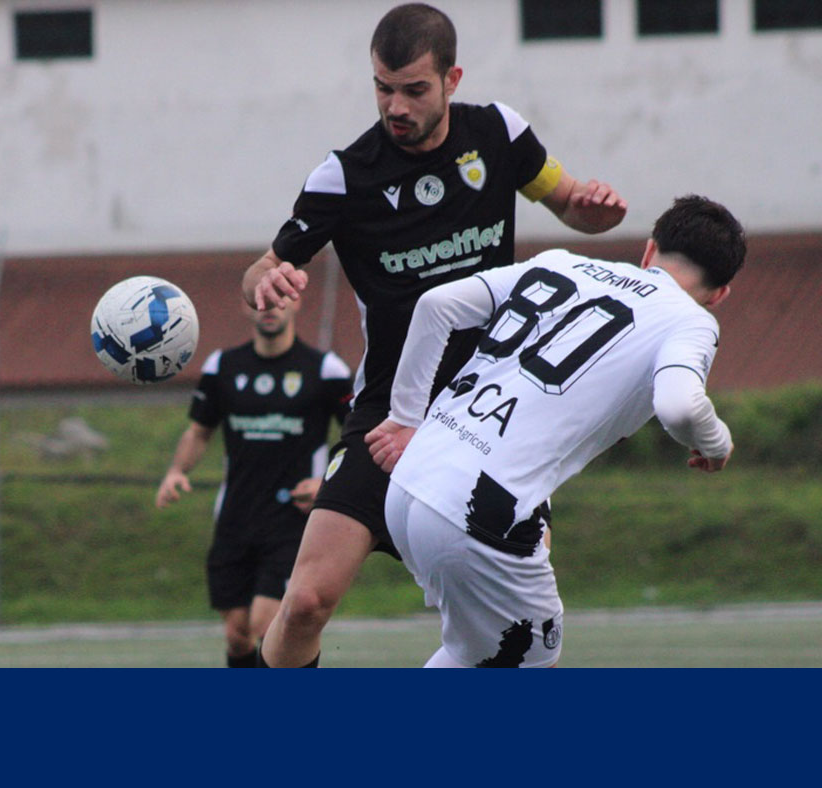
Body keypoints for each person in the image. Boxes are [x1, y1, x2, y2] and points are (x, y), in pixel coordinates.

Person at [243, 3, 627, 667]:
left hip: (494, 417)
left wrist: (592, 210)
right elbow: (267, 264)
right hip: (392, 412)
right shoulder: (344, 176)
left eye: (414, 89)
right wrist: (266, 281)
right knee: (305, 600)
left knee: (507, 626)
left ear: (452, 79)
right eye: (382, 88)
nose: (396, 105)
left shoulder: (500, 134)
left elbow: (567, 202)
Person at [364, 194, 746, 667]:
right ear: (719, 294)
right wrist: (717, 443)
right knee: (525, 657)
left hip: (412, 479)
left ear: (649, 250)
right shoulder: (691, 320)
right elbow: (680, 406)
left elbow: (436, 304)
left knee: (481, 656)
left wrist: (404, 419)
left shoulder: (561, 262)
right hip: (476, 509)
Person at [156, 297, 351, 667]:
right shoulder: (223, 366)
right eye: (260, 300)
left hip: (291, 520)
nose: (269, 308)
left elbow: (358, 435)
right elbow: (199, 431)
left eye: (279, 299)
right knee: (237, 634)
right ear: (246, 307)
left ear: (296, 303)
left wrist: (326, 483)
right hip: (235, 516)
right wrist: (176, 471)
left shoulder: (325, 369)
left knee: (267, 622)